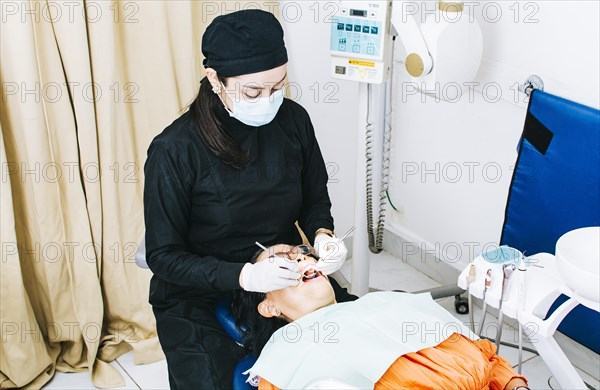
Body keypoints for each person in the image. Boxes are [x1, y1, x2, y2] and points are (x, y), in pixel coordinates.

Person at [143, 9, 356, 389]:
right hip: (196, 291)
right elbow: (163, 257)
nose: (269, 100)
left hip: (281, 273)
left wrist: (322, 233)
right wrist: (244, 275)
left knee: (358, 348)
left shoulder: (294, 121)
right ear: (214, 79)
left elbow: (314, 198)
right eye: (254, 92)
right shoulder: (175, 150)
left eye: (278, 87)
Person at [232, 244, 531, 390]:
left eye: (301, 253)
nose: (298, 259)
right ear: (268, 307)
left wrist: (516, 386)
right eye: (280, 266)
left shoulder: (387, 302)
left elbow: (489, 359)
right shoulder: (286, 354)